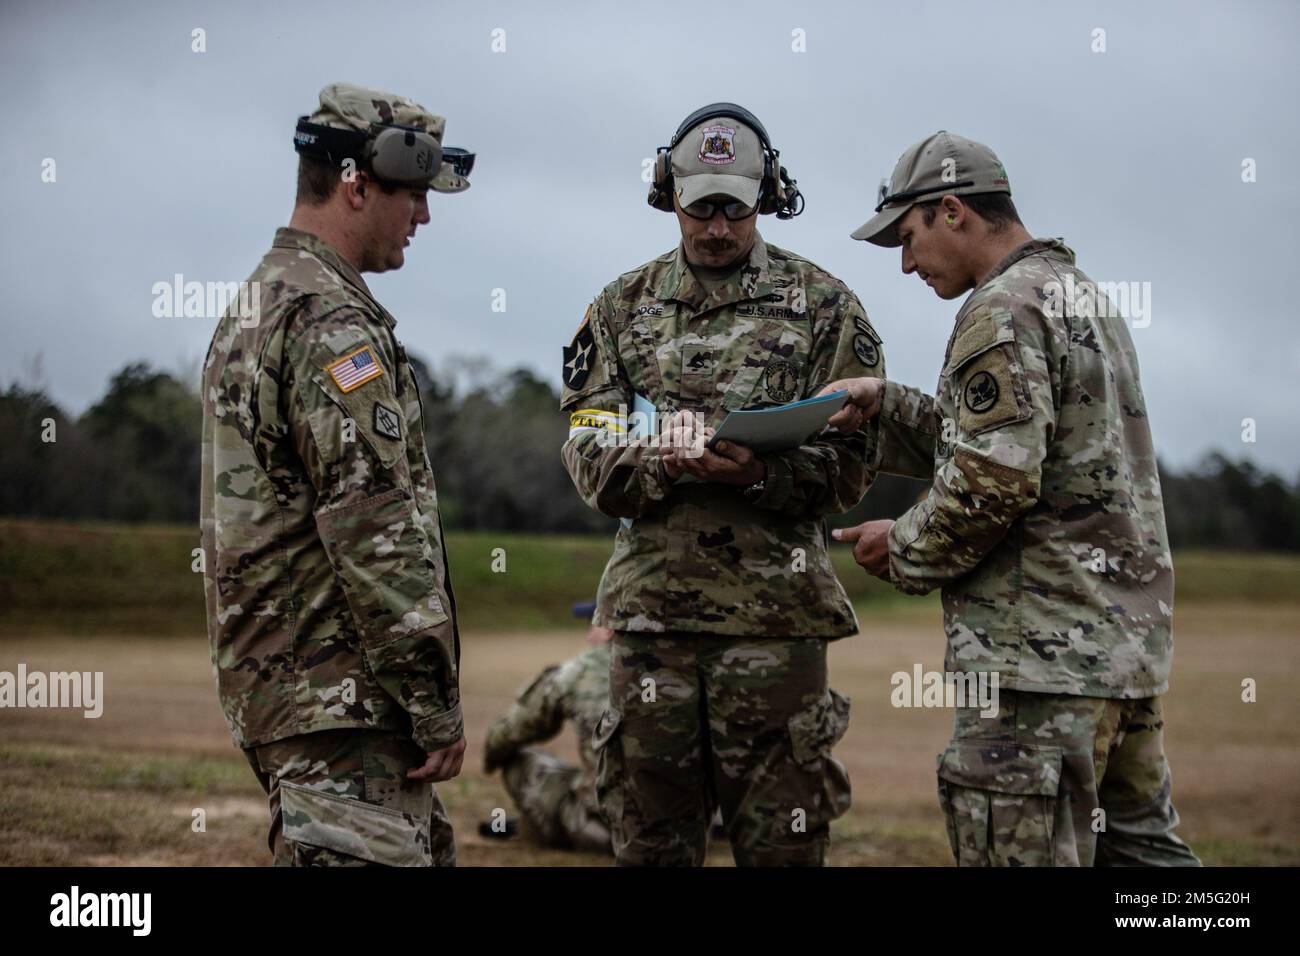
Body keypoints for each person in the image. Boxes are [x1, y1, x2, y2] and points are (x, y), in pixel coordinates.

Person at [825, 130, 1200, 867]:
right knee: (1149, 868)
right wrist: (886, 403)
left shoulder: (999, 310)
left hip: (1035, 666)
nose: (904, 264)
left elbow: (993, 479)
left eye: (908, 237)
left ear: (953, 211)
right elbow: (1025, 442)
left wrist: (898, 547)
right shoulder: (1081, 293)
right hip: (1120, 653)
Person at [559, 103, 883, 866]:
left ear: (767, 194)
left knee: (783, 845)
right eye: (699, 206)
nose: (715, 227)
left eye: (734, 208)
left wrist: (764, 472)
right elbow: (587, 447)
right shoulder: (619, 308)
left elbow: (855, 464)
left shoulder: (826, 308)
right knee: (651, 841)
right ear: (668, 195)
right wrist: (660, 461)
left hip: (775, 628)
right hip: (652, 629)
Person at [199, 82, 475, 866]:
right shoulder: (329, 320)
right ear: (357, 182)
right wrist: (432, 701)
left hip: (295, 698)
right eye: (413, 194)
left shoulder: (260, 301)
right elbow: (374, 528)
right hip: (340, 706)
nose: (422, 216)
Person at [482, 608, 614, 855]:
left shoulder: (581, 670)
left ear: (609, 627)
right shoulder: (686, 666)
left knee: (519, 763)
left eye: (592, 624)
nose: (588, 636)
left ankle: (593, 827)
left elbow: (506, 736)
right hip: (681, 826)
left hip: (608, 828)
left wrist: (491, 758)